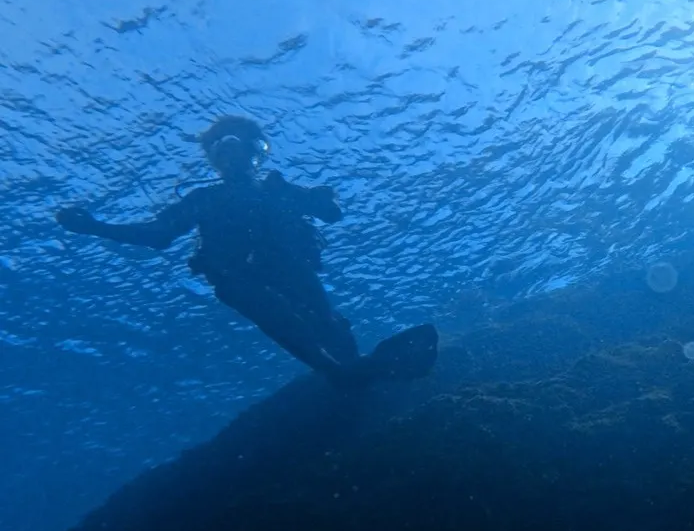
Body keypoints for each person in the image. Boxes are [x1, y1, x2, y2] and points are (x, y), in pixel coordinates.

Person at [55, 115, 437, 388]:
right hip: (239, 280)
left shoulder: (277, 189)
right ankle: (342, 373)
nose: (231, 151)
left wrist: (318, 200)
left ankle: (350, 373)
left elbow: (331, 214)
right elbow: (157, 234)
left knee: (327, 323)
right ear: (215, 158)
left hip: (289, 270)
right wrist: (95, 226)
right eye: (221, 146)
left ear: (257, 151)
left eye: (239, 142)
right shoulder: (205, 199)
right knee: (292, 324)